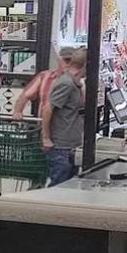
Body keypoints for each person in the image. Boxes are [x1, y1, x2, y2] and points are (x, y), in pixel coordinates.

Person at [43, 48, 87, 185]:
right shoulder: (66, 83)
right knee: (59, 186)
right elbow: (48, 108)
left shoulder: (75, 84)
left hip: (71, 145)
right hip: (61, 146)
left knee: (69, 186)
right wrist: (45, 138)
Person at [14, 47, 74, 122]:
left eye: (73, 62)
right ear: (59, 60)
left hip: (68, 124)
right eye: (67, 60)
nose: (69, 64)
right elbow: (25, 95)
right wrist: (18, 111)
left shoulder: (78, 80)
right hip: (45, 122)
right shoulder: (45, 76)